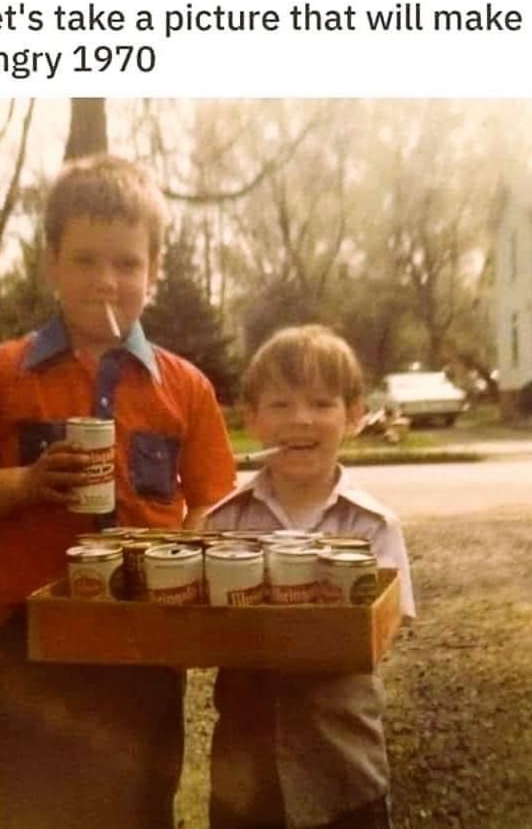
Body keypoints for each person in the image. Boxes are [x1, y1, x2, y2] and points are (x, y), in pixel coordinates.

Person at [0, 154, 236, 829]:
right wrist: (26, 483)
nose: (107, 279)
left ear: (154, 271)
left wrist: (184, 566)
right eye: (85, 260)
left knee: (141, 806)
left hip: (144, 640)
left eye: (127, 263)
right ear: (52, 264)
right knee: (34, 807)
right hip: (28, 641)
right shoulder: (0, 373)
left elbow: (211, 499)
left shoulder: (186, 387)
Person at [203, 324, 415, 829]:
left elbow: (383, 632)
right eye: (280, 404)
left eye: (322, 403)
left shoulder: (374, 526)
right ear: (252, 418)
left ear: (354, 416)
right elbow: (199, 630)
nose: (301, 419)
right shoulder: (223, 522)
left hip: (345, 774)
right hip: (244, 784)